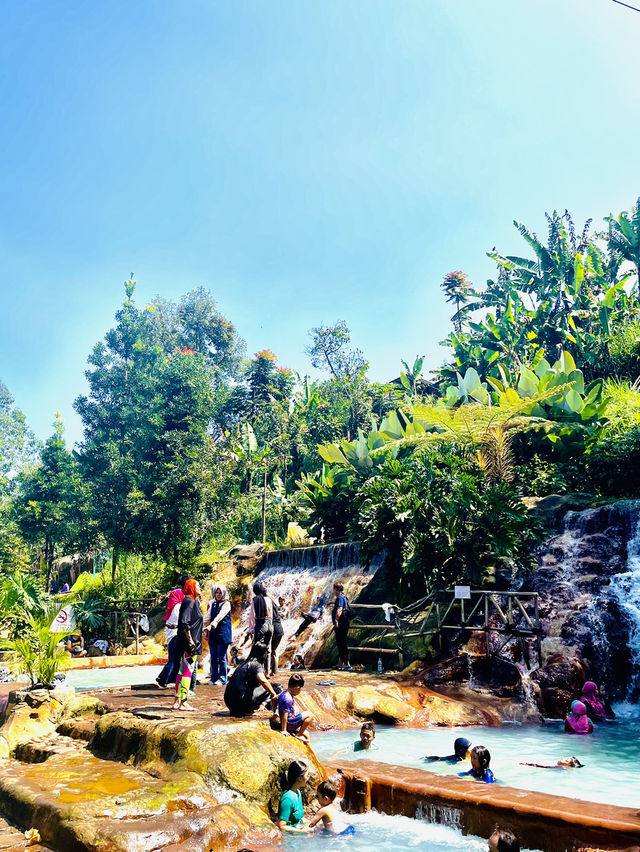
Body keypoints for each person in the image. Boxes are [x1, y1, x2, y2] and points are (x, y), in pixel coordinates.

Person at [172, 579, 203, 712]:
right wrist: (190, 640)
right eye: (198, 586)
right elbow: (185, 623)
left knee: (181, 670)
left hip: (187, 642)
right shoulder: (190, 601)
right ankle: (183, 702)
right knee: (187, 672)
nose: (200, 588)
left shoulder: (190, 601)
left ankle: (176, 701)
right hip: (190, 644)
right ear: (191, 588)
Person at [224, 642, 278, 717]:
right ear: (263, 654)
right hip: (240, 703)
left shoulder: (243, 663)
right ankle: (247, 710)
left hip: (229, 702)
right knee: (270, 687)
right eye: (266, 653)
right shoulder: (257, 665)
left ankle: (243, 709)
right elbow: (263, 681)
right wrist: (274, 694)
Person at [205, 584, 232, 685]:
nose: (218, 595)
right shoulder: (213, 604)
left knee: (221, 658)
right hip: (213, 635)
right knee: (213, 657)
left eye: (220, 593)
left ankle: (222, 678)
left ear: (224, 593)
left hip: (223, 635)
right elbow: (207, 617)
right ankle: (213, 677)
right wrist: (197, 625)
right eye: (217, 592)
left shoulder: (226, 604)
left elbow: (220, 616)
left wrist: (212, 624)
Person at [277, 673, 313, 743]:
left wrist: (275, 712)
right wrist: (284, 730)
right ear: (297, 687)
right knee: (310, 715)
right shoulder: (288, 699)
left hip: (289, 721)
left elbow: (274, 699)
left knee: (307, 734)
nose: (300, 690)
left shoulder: (283, 693)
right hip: (289, 724)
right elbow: (285, 715)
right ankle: (298, 735)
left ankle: (305, 743)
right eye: (300, 689)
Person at [277, 759, 308, 830]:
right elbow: (281, 826)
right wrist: (303, 831)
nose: (308, 778)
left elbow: (299, 818)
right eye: (307, 775)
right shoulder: (287, 799)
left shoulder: (298, 793)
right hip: (291, 837)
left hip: (298, 830)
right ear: (300, 778)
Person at [249, 582, 273, 654]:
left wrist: (251, 630)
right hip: (269, 625)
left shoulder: (255, 600)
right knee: (267, 649)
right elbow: (271, 614)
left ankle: (259, 664)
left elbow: (252, 616)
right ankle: (267, 665)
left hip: (260, 625)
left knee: (258, 648)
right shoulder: (268, 599)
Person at [332, 584, 351, 671]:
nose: (333, 591)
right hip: (345, 622)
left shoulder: (340, 597)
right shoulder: (344, 597)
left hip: (341, 623)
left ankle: (346, 663)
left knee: (341, 643)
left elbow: (339, 609)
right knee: (341, 643)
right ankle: (341, 663)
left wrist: (336, 620)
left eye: (334, 589)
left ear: (336, 590)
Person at [269, 595, 284, 677]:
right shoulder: (276, 608)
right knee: (274, 652)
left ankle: (267, 670)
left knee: (268, 651)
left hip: (274, 630)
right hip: (279, 630)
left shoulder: (269, 608)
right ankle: (275, 671)